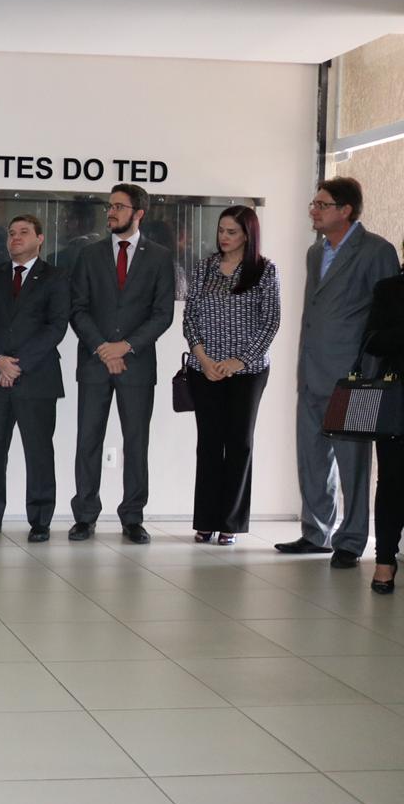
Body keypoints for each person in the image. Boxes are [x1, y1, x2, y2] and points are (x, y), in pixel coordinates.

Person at [281, 177, 399, 567]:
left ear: (345, 210)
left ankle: (351, 539)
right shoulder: (316, 252)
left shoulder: (376, 250)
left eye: (322, 204)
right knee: (312, 456)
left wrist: (371, 374)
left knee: (352, 463)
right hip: (312, 370)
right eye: (313, 204)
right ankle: (316, 532)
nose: (313, 211)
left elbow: (385, 317)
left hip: (353, 376)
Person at [68, 183, 175, 544]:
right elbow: (78, 309)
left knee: (136, 443)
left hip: (137, 365)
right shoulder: (89, 254)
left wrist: (125, 347)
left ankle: (132, 517)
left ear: (138, 213)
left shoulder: (159, 257)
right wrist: (103, 348)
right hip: (95, 362)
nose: (111, 212)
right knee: (88, 441)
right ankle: (85, 516)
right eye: (109, 206)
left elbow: (162, 314)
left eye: (119, 207)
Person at [182, 206, 280, 545]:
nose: (224, 237)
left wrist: (239, 361)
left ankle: (231, 523)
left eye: (232, 232)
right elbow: (190, 317)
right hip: (205, 369)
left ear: (248, 235)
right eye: (221, 230)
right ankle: (205, 520)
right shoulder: (204, 267)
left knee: (239, 443)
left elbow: (271, 321)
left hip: (247, 372)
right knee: (209, 443)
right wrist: (203, 357)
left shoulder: (265, 270)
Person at [0, 214, 69, 542]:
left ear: (40, 239)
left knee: (38, 453)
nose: (15, 237)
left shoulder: (56, 277)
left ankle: (40, 520)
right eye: (11, 232)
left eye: (24, 232)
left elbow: (56, 327)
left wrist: (18, 365)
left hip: (37, 379)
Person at [363, 270, 404, 593]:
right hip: (396, 398)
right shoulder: (390, 288)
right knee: (392, 479)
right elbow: (372, 341)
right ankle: (385, 560)